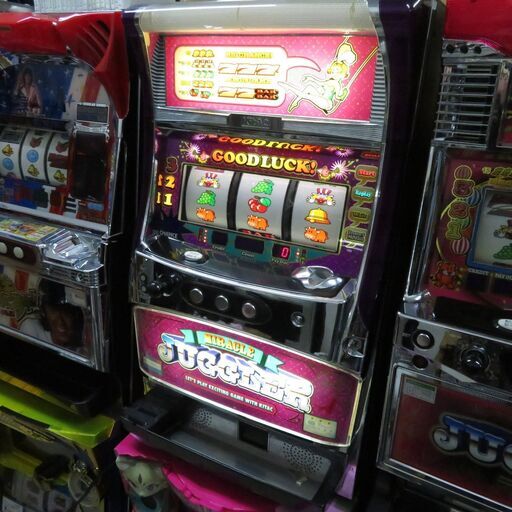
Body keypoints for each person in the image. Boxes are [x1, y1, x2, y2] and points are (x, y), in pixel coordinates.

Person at [20, 280, 84, 348]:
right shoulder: (32, 329)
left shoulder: (83, 338)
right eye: (53, 312)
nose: (61, 326)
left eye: (66, 313)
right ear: (43, 312)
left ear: (76, 314)